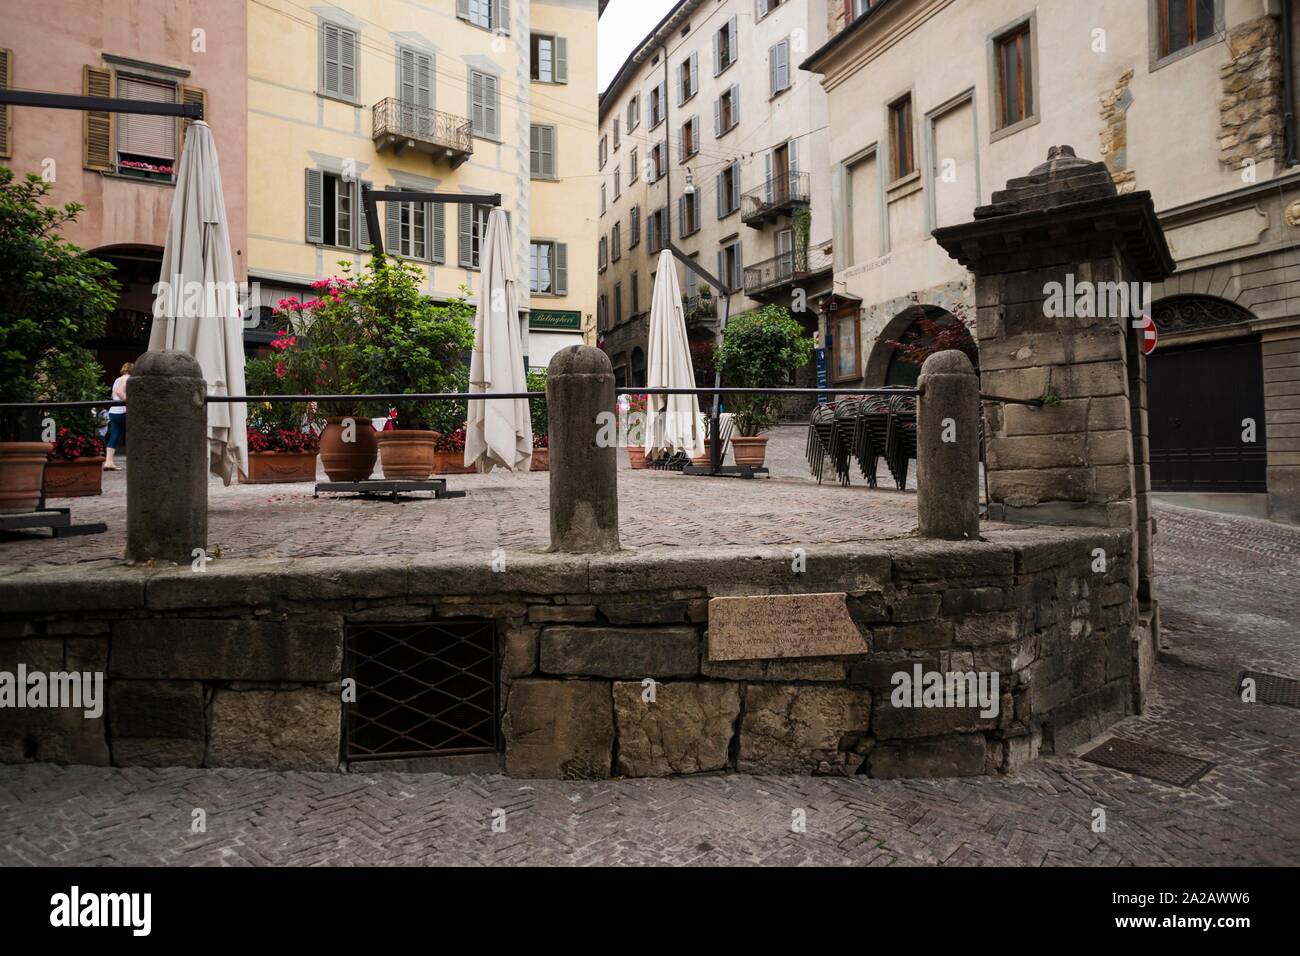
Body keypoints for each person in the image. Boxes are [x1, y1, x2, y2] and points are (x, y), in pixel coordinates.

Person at [104, 362, 132, 470]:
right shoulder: (127, 378)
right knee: (134, 435)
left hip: (113, 411)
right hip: (124, 411)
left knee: (114, 436)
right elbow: (120, 393)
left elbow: (113, 395)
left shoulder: (117, 379)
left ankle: (108, 462)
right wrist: (129, 401)